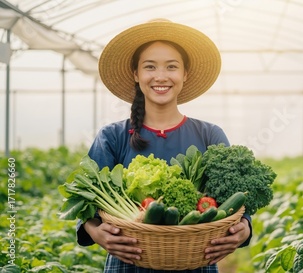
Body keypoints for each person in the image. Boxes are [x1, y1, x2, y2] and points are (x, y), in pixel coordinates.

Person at [75, 19, 252, 272]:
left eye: (172, 67)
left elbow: (237, 201)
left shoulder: (210, 135)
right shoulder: (112, 136)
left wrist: (244, 228)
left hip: (196, 262)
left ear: (184, 74)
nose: (161, 76)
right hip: (128, 261)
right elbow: (86, 203)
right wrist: (95, 232)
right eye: (150, 67)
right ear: (136, 74)